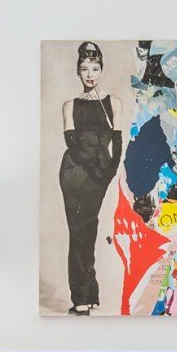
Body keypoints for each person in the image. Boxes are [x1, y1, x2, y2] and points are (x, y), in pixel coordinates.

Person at [58, 42, 121, 313]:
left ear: (102, 70)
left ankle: (87, 293)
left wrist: (109, 171)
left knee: (89, 228)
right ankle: (82, 297)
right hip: (74, 171)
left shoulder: (113, 102)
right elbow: (72, 143)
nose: (90, 74)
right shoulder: (69, 105)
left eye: (94, 68)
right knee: (78, 230)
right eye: (84, 69)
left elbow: (117, 143)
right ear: (78, 72)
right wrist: (95, 169)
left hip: (100, 173)